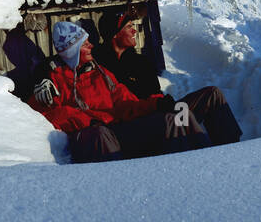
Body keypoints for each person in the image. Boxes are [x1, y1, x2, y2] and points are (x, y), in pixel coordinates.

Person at [31, 20, 218, 163]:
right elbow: (49, 115)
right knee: (101, 134)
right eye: (85, 44)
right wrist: (91, 120)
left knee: (174, 116)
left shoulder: (101, 73)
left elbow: (126, 104)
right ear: (73, 50)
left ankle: (201, 164)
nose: (91, 47)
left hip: (120, 127)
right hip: (93, 135)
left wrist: (156, 104)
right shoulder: (54, 80)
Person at [94, 7, 244, 147]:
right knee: (179, 117)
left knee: (212, 94)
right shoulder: (100, 67)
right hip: (136, 122)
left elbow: (156, 93)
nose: (134, 31)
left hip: (158, 111)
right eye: (128, 27)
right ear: (114, 34)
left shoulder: (141, 63)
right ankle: (200, 154)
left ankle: (231, 149)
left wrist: (163, 103)